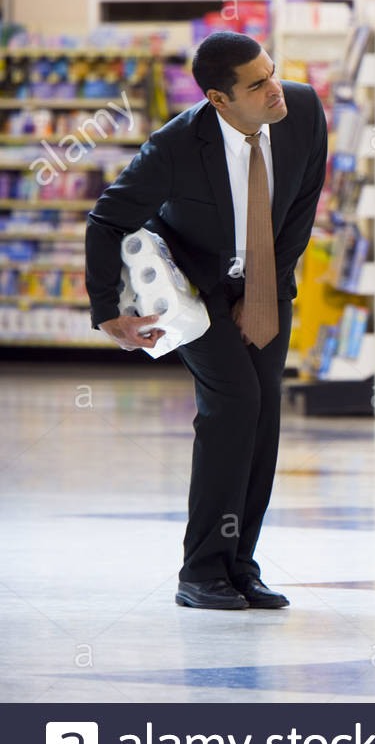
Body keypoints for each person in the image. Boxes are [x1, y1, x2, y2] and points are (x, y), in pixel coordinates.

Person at [85, 32, 327, 610]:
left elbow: (302, 204)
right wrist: (108, 314)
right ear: (220, 99)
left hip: (268, 280)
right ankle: (200, 571)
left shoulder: (302, 109)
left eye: (273, 72)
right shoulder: (175, 146)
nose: (275, 89)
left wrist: (263, 287)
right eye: (258, 85)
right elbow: (106, 220)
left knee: (263, 415)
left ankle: (241, 566)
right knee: (234, 405)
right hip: (198, 289)